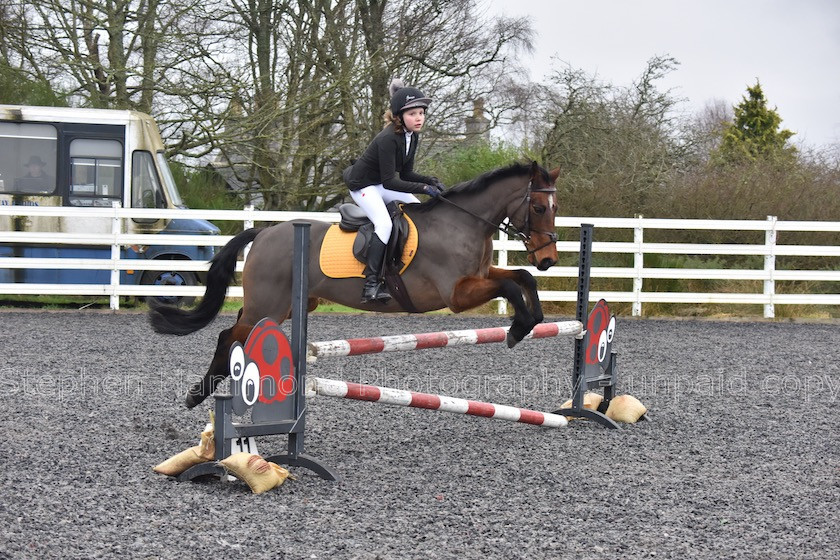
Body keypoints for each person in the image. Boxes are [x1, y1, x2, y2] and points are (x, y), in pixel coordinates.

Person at [342, 78, 445, 304]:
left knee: (418, 209)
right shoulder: (389, 138)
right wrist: (425, 188)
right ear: (399, 116)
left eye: (421, 113)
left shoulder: (412, 136)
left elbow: (406, 174)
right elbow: (390, 182)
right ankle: (370, 285)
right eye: (413, 114)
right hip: (363, 186)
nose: (419, 118)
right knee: (384, 224)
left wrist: (430, 180)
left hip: (380, 183)